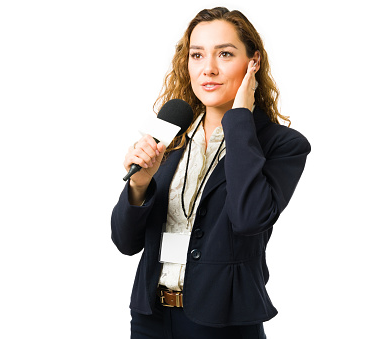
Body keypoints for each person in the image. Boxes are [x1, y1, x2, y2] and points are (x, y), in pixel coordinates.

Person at [111, 7, 311, 339]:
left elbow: (249, 218)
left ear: (253, 63)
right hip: (151, 320)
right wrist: (139, 184)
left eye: (225, 54)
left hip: (224, 323)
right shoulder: (170, 135)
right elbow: (125, 241)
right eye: (197, 55)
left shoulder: (281, 144)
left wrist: (240, 120)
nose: (209, 69)